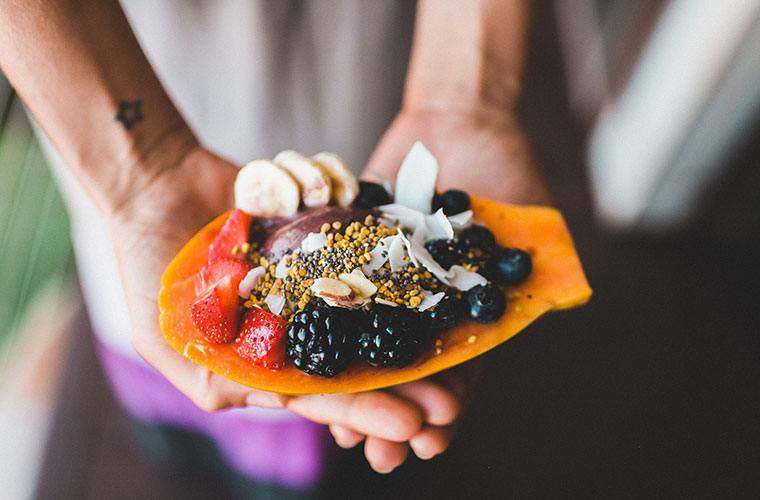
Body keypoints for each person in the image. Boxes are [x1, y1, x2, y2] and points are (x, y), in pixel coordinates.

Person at [0, 0, 548, 492]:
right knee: (168, 411)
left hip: (362, 70)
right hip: (103, 89)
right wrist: (139, 174)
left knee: (311, 463)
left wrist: (462, 100)